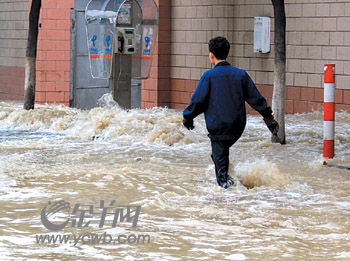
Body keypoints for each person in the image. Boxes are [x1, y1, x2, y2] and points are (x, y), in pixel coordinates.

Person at [183, 36, 279, 189]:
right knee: (219, 154)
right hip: (237, 126)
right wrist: (268, 117)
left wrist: (188, 117)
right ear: (228, 54)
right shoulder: (240, 74)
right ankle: (233, 183)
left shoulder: (208, 76)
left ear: (211, 55)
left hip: (218, 126)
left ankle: (229, 195)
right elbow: (256, 98)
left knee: (220, 162)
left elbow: (198, 101)